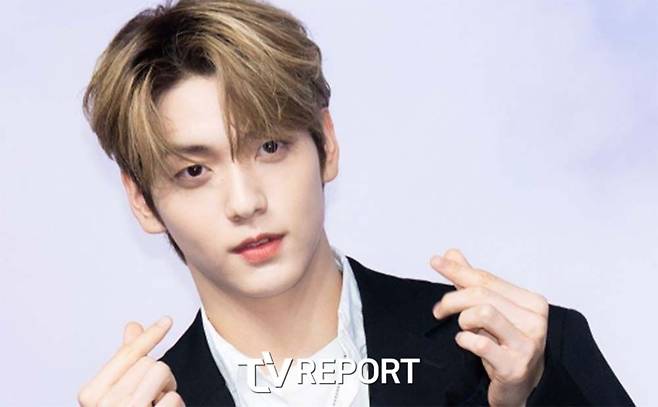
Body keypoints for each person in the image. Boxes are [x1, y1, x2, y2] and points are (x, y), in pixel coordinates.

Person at [76, 0, 634, 406]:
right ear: (142, 201)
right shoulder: (153, 399)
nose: (245, 202)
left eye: (270, 147)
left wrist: (529, 398)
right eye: (194, 171)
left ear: (327, 143)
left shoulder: (524, 354)